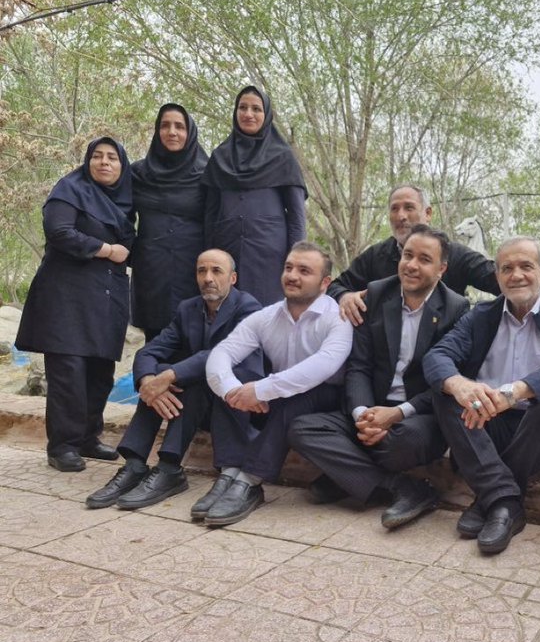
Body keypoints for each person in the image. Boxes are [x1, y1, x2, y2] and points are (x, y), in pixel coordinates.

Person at [423, 236, 540, 554]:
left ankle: (490, 497)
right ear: (498, 276)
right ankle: (505, 501)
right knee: (445, 393)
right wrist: (461, 385)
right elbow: (437, 356)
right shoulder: (481, 316)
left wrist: (516, 390)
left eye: (526, 266)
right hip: (488, 427)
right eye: (507, 268)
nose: (516, 275)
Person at [290, 225, 469, 528]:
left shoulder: (456, 309)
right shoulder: (376, 294)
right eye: (408, 255)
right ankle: (403, 487)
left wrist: (397, 414)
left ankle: (346, 477)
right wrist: (362, 413)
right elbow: (359, 365)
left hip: (417, 414)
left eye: (424, 259)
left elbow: (446, 382)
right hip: (372, 405)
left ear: (441, 269)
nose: (411, 265)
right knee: (302, 429)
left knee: (403, 442)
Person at [84, 249, 263, 512]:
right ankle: (134, 464)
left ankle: (169, 467)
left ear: (232, 278)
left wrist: (169, 376)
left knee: (188, 375)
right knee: (161, 375)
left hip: (235, 407)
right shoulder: (188, 309)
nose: (208, 278)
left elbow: (222, 354)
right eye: (201, 271)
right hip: (196, 404)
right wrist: (148, 380)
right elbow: (149, 351)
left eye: (216, 271)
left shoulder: (248, 308)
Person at [203, 241, 353, 526]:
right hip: (280, 397)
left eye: (304, 271)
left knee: (291, 394)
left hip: (328, 403)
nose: (292, 275)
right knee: (232, 383)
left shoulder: (338, 318)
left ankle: (250, 481)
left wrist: (260, 390)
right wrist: (233, 391)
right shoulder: (267, 316)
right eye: (289, 268)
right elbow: (222, 352)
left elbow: (320, 368)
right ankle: (229, 472)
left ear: (325, 283)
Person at [15, 137, 135, 472]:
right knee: (69, 371)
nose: (104, 162)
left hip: (106, 297)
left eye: (112, 157)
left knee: (100, 371)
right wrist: (107, 250)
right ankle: (62, 445)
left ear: (122, 166)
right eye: (97, 156)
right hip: (66, 296)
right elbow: (59, 231)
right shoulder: (70, 189)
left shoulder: (125, 201)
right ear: (87, 161)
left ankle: (87, 438)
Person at [328, 184, 499, 325]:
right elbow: (334, 286)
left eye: (409, 207)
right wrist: (344, 296)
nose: (401, 216)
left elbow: (501, 281)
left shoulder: (456, 255)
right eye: (394, 209)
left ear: (428, 213)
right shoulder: (376, 255)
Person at [203, 85, 307, 306]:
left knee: (266, 318)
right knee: (228, 319)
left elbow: (297, 217)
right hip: (226, 257)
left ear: (266, 114)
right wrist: (209, 260)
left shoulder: (283, 157)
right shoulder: (220, 157)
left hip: (271, 259)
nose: (248, 114)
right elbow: (210, 216)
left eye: (256, 109)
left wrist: (296, 262)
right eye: (243, 108)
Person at [130, 103, 209, 342]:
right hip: (152, 272)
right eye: (165, 126)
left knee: (194, 339)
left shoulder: (207, 173)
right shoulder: (138, 173)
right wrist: (131, 253)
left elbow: (217, 221)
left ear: (190, 132)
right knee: (155, 343)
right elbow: (121, 218)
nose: (172, 132)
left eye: (179, 126)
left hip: (194, 270)